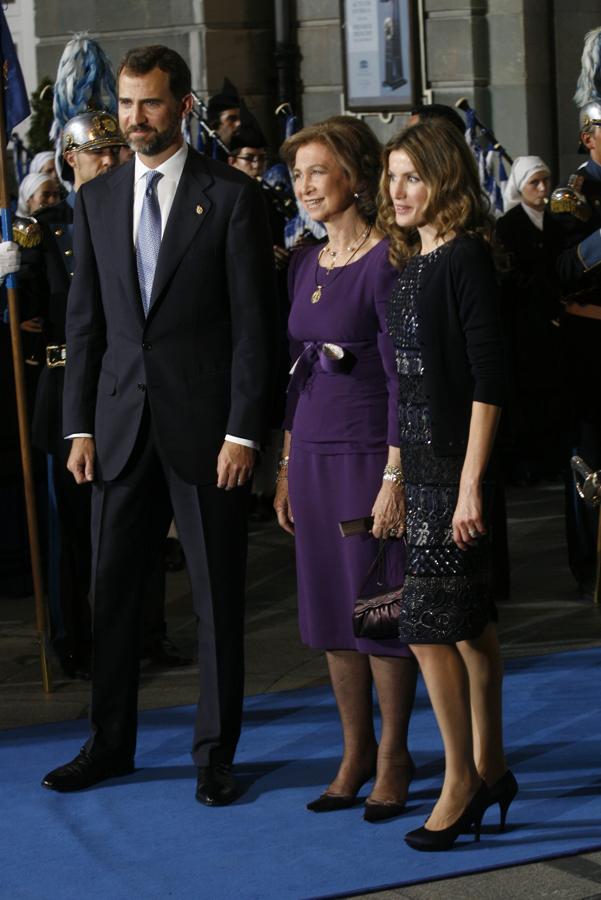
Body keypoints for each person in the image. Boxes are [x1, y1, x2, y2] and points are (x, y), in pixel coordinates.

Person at [41, 45, 275, 804]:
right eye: (125, 103)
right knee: (111, 595)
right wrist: (78, 427)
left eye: (149, 102)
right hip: (117, 429)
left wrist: (243, 432)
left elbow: (253, 330)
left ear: (182, 105)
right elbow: (86, 326)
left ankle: (215, 755)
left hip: (206, 433)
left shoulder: (231, 197)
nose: (135, 118)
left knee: (215, 600)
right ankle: (109, 744)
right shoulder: (96, 199)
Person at [276, 117, 418, 821]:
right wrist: (284, 463)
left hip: (367, 460)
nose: (304, 186)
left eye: (317, 171)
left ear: (355, 177)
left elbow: (402, 381)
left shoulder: (388, 259)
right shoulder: (303, 262)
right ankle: (354, 752)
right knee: (331, 612)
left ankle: (394, 756)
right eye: (297, 173)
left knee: (377, 613)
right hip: (310, 456)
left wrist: (395, 477)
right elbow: (294, 373)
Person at [379, 120, 515, 850]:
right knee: (466, 629)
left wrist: (468, 486)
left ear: (444, 179)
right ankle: (491, 769)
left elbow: (490, 379)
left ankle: (460, 784)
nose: (396, 190)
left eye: (412, 176)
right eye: (391, 176)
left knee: (430, 632)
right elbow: (408, 386)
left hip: (457, 474)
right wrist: (396, 475)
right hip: (425, 472)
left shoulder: (463, 257)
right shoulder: (412, 262)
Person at [17, 112, 127, 679]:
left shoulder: (134, 212)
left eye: (114, 150)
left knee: (124, 526)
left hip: (123, 388)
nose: (108, 161)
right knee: (69, 533)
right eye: (96, 152)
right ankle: (71, 638)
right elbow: (28, 311)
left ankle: (133, 633)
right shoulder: (44, 229)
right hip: (64, 391)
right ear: (70, 159)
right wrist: (11, 278)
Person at [550, 100, 601, 600]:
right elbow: (562, 272)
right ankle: (591, 565)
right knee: (589, 459)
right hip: (591, 344)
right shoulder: (573, 194)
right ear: (588, 137)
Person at [496, 156, 563, 485]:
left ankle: (552, 458)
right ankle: (527, 463)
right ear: (521, 186)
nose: (542, 188)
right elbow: (511, 275)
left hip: (554, 320)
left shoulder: (557, 222)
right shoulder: (508, 225)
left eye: (545, 181)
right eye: (534, 182)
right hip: (523, 323)